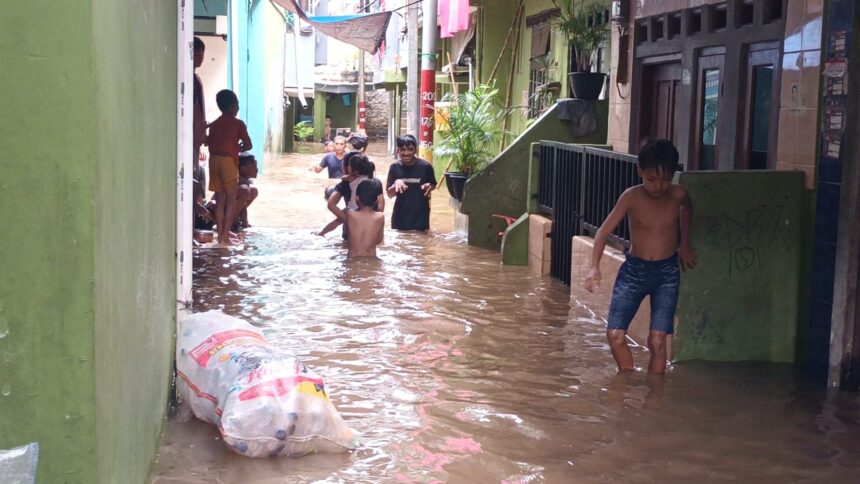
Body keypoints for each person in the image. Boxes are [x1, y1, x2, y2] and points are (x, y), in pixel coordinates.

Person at [584, 138, 697, 374]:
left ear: (673, 174)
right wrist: (594, 267)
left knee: (657, 341)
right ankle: (627, 379)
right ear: (640, 172)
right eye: (651, 180)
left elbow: (687, 208)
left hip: (667, 273)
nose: (659, 186)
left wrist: (684, 244)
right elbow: (603, 231)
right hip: (634, 271)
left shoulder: (678, 194)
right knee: (615, 335)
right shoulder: (631, 197)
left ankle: (654, 397)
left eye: (666, 179)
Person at [207, 89, 252, 246]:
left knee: (219, 200)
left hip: (213, 161)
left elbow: (208, 142)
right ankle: (224, 238)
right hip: (228, 162)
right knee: (231, 200)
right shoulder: (238, 124)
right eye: (237, 104)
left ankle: (220, 236)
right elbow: (248, 145)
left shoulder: (214, 124)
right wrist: (237, 148)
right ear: (233, 106)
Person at [318, 152, 384, 237]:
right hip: (371, 225)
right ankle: (322, 233)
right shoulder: (375, 182)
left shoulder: (348, 180)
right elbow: (380, 208)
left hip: (352, 211)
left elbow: (331, 204)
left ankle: (321, 233)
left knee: (338, 222)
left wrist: (348, 220)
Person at [386, 134, 436, 231]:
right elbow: (389, 194)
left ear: (415, 150)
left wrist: (429, 186)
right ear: (398, 151)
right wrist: (396, 183)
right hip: (399, 217)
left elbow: (433, 185)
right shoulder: (394, 167)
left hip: (421, 217)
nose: (406, 153)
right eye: (403, 150)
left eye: (410, 149)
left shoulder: (426, 167)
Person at [346, 179, 385, 258]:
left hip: (352, 259)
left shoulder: (350, 215)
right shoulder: (380, 217)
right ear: (377, 200)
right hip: (371, 259)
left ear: (357, 198)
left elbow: (348, 236)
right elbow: (378, 240)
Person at [192, 37, 207, 164]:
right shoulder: (190, 80)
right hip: (193, 134)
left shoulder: (196, 79)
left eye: (202, 54)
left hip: (196, 135)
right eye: (198, 54)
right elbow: (196, 109)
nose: (201, 57)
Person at [236, 153, 259, 229]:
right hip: (221, 210)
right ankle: (232, 221)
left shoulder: (245, 180)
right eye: (254, 167)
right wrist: (245, 223)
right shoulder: (240, 181)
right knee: (246, 191)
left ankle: (235, 217)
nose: (257, 169)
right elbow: (243, 207)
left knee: (253, 191)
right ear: (243, 169)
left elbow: (243, 204)